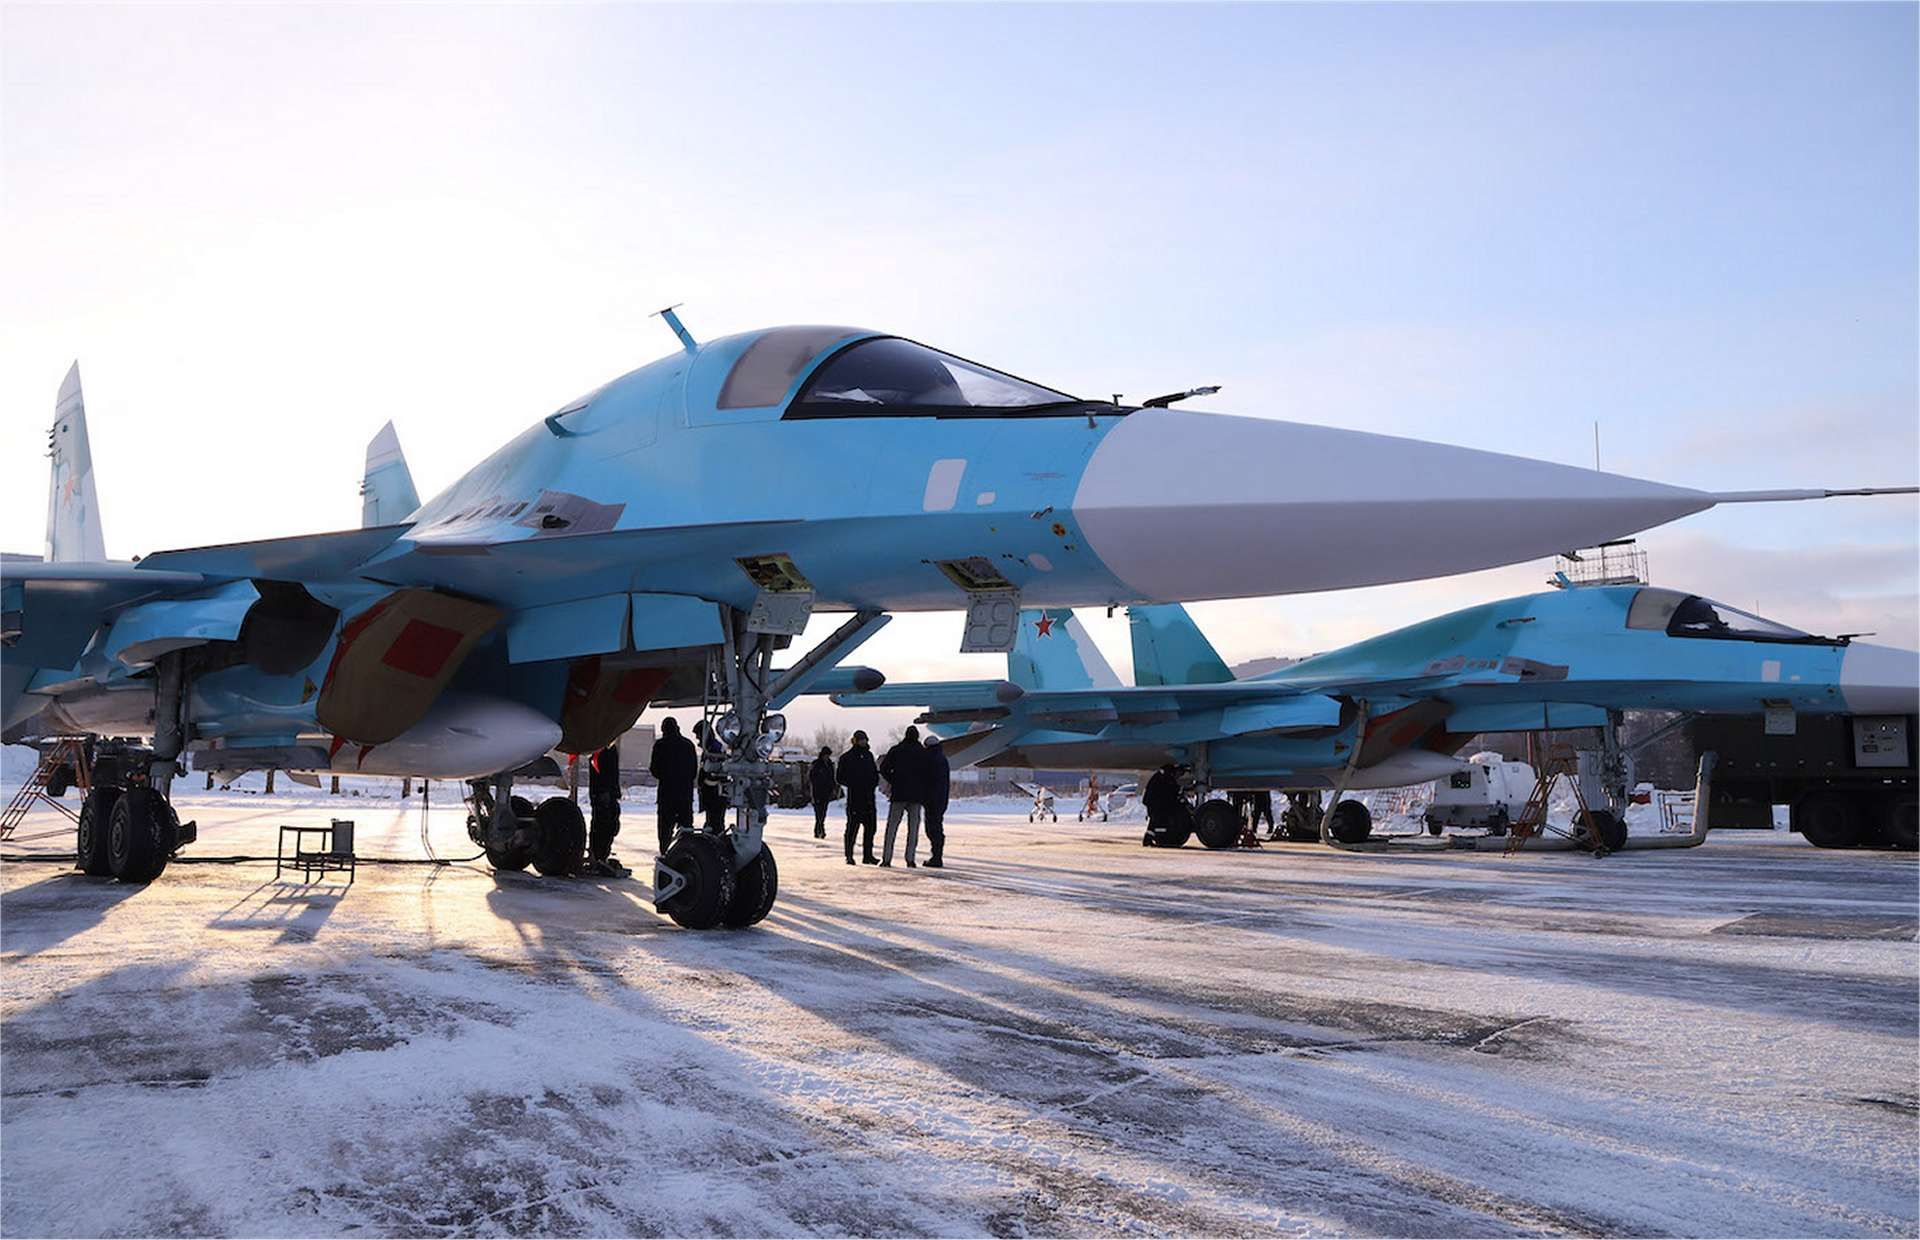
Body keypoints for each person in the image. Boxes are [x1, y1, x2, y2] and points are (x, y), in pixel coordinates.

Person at [879, 725, 929, 867]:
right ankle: (910, 859)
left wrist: (894, 779)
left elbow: (883, 768)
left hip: (899, 793)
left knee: (892, 828)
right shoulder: (922, 752)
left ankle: (886, 858)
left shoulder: (896, 750)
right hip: (916, 796)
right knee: (913, 829)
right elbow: (928, 772)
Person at [648, 718, 697, 854]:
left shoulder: (660, 745)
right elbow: (693, 772)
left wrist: (667, 777)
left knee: (665, 829)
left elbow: (654, 769)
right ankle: (686, 854)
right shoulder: (688, 745)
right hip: (684, 794)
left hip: (666, 794)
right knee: (686, 828)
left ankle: (665, 853)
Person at [836, 731, 880, 865]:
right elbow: (840, 777)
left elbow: (874, 774)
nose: (863, 742)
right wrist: (854, 783)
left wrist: (873, 782)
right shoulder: (847, 757)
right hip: (855, 798)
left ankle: (868, 855)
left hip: (868, 798)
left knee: (870, 828)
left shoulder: (868, 755)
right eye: (861, 740)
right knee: (852, 828)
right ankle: (849, 855)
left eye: (865, 740)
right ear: (855, 741)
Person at [587, 742, 628, 876]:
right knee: (604, 825)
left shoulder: (598, 750)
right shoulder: (603, 751)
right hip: (604, 794)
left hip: (603, 793)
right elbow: (608, 774)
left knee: (604, 825)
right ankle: (599, 855)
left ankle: (599, 854)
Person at [692, 719, 727, 830]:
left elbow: (716, 773)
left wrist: (706, 781)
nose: (697, 739)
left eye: (698, 736)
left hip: (715, 794)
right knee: (712, 821)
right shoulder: (710, 749)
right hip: (711, 793)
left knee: (715, 822)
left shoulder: (714, 749)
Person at [923, 735, 950, 868]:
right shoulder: (942, 758)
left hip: (931, 799)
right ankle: (937, 855)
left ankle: (936, 857)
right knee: (937, 826)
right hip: (942, 798)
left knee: (932, 828)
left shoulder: (928, 759)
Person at [1143, 762, 1183, 846]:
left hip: (1153, 802)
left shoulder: (1160, 776)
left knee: (1154, 821)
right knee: (1159, 821)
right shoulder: (1166, 777)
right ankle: (1160, 839)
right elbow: (1170, 791)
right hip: (1156, 803)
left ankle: (1148, 838)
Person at [808, 745, 837, 839]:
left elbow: (832, 777)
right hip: (817, 791)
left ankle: (819, 829)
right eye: (826, 755)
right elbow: (811, 777)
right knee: (818, 812)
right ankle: (820, 830)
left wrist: (833, 788)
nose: (827, 757)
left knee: (823, 812)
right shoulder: (816, 764)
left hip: (826, 792)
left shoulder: (829, 765)